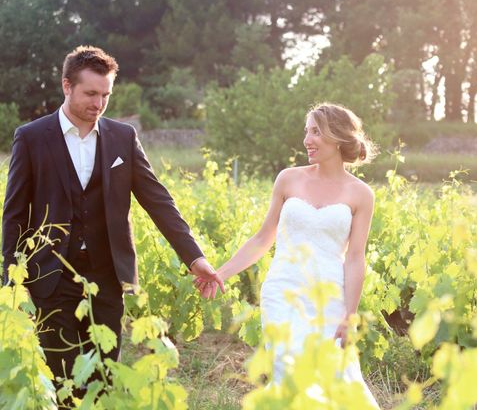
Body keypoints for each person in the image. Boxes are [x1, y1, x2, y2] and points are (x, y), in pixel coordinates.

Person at [1, 45, 223, 389]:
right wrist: (11, 282)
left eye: (106, 94)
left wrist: (194, 258)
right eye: (91, 93)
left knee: (103, 381)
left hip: (108, 278)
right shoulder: (31, 138)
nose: (99, 103)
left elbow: (158, 200)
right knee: (62, 383)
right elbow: (14, 214)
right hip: (50, 279)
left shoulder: (123, 137)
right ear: (66, 86)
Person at [196, 102, 379, 407]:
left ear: (337, 137)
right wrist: (221, 272)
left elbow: (355, 258)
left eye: (316, 132)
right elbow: (263, 238)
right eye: (307, 131)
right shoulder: (289, 179)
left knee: (337, 376)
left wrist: (350, 314)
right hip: (283, 291)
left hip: (329, 298)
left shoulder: (361, 194)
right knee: (291, 374)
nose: (307, 139)